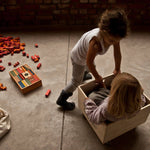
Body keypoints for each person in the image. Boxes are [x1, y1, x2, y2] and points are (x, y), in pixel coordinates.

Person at [56, 8, 129, 110]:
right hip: (78, 57)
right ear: (103, 32)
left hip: (86, 56)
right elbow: (88, 62)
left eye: (116, 41)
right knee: (76, 81)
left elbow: (117, 53)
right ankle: (62, 99)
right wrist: (98, 77)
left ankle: (84, 74)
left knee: (91, 68)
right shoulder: (95, 43)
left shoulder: (114, 35)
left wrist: (117, 68)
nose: (114, 43)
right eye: (111, 40)